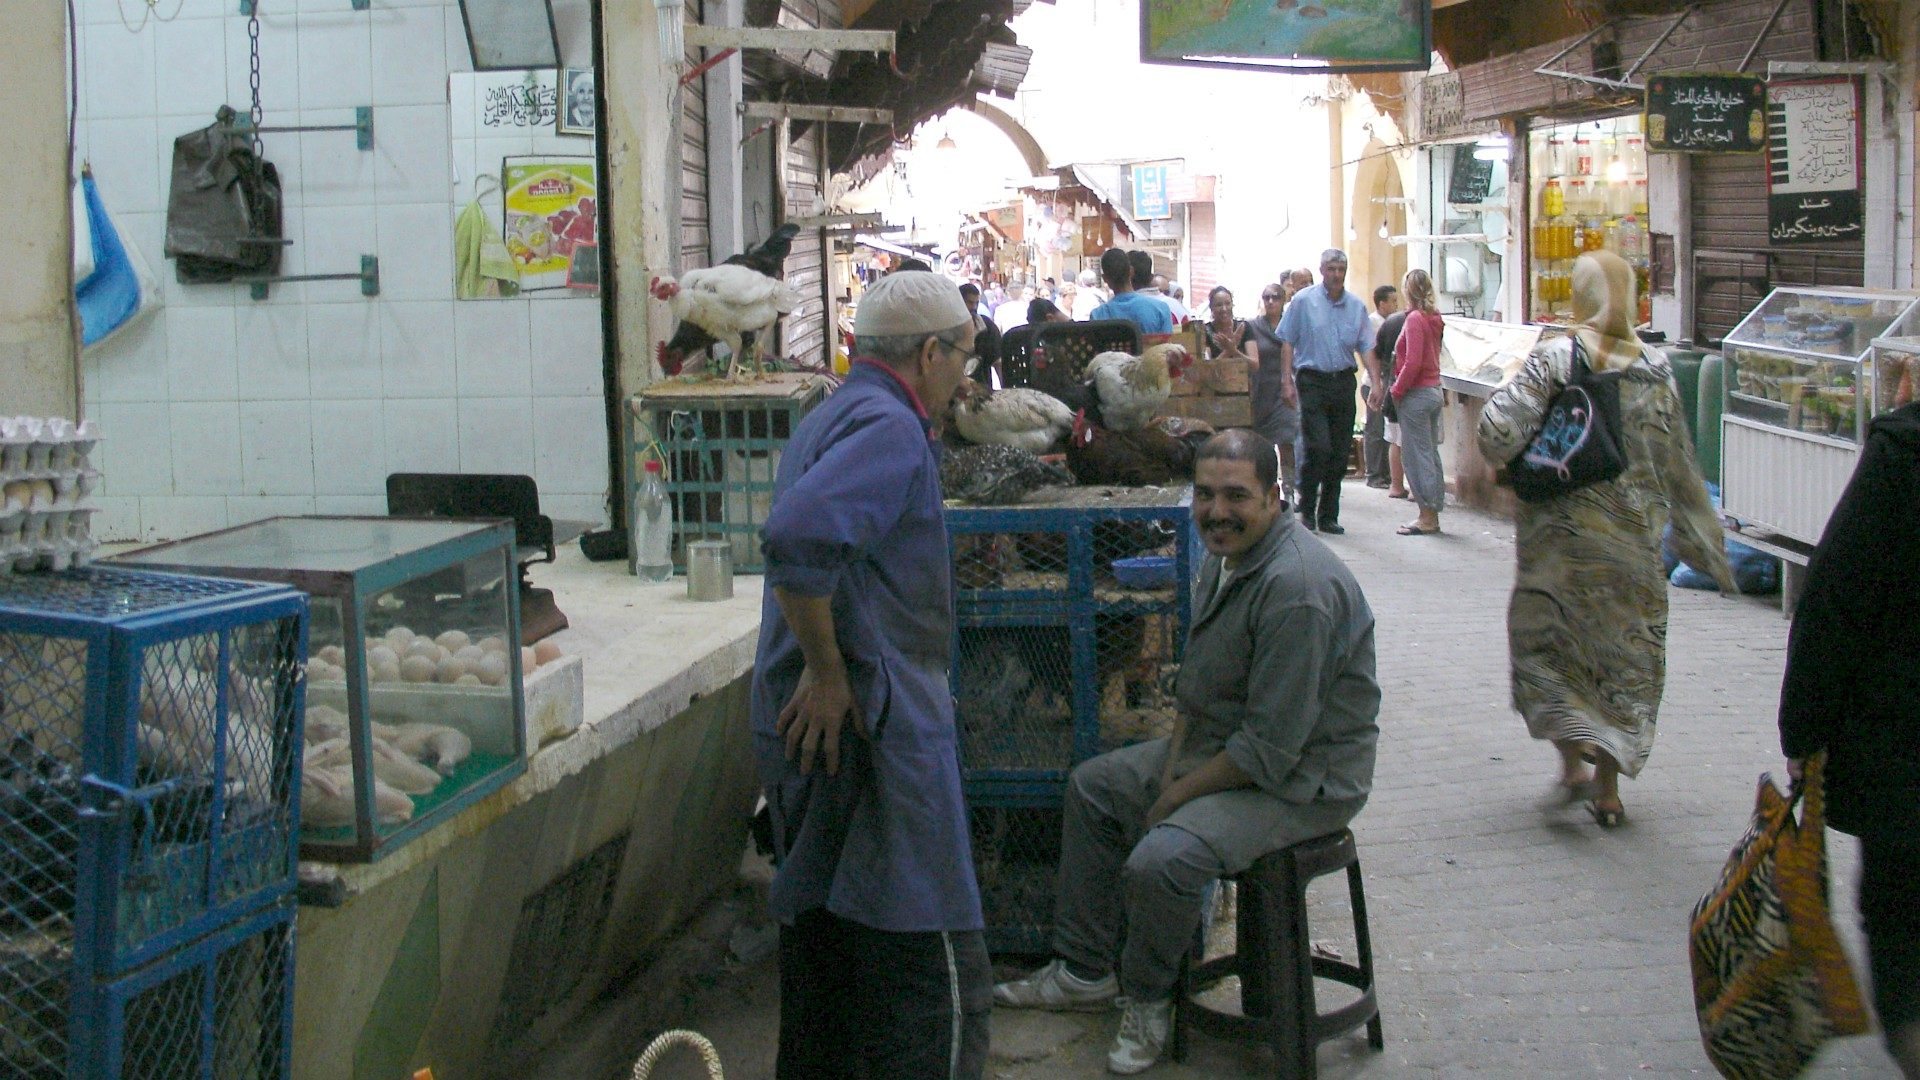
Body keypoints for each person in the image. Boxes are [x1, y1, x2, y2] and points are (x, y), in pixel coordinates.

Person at [994, 429, 1380, 1076]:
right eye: (1205, 494)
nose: (1216, 511)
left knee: (1162, 860)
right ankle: (1085, 971)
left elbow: (1269, 749)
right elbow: (1200, 699)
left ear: (1275, 498)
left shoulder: (1296, 591)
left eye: (1237, 496)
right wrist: (1169, 769)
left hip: (1302, 780)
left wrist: (1173, 798)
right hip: (1225, 749)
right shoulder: (1223, 557)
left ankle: (1147, 1000)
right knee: (1095, 786)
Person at [751, 271, 991, 1078]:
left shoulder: (833, 413)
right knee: (930, 971)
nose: (966, 373)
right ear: (929, 352)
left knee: (827, 958)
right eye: (962, 355)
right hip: (866, 729)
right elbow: (795, 538)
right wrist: (827, 672)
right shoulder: (889, 427)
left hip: (823, 728)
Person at [1475, 251, 1731, 827]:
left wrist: (1514, 460)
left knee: (1554, 651)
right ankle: (1608, 789)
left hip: (1559, 549)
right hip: (1634, 547)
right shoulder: (1659, 368)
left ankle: (1570, 769)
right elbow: (1679, 459)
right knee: (1623, 660)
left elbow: (1496, 429)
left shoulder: (1556, 356)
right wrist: (1699, 536)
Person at [1778, 399, 1920, 1078]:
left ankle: (1914, 1033)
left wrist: (1804, 732)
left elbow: (1835, 598)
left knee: (1898, 905)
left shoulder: (1903, 455)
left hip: (1904, 748)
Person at [1277, 249, 1384, 535]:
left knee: (1338, 451)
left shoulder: (1356, 307)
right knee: (1317, 446)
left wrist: (1376, 381)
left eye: (1341, 269)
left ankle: (1328, 515)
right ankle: (1307, 509)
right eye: (1332, 269)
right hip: (1311, 380)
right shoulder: (1302, 302)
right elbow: (1287, 341)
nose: (1336, 274)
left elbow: (1366, 347)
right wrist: (1286, 381)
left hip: (1342, 382)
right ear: (1322, 270)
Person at [1389, 270, 1445, 536]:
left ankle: (1427, 515)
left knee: (1416, 455)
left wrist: (1397, 390)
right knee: (1430, 453)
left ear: (1407, 290)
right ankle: (1433, 509)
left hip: (1417, 393)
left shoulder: (1414, 319)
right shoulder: (1435, 318)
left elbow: (1413, 361)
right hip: (1434, 389)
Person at [1242, 283, 1302, 504]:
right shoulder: (1252, 326)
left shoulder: (1292, 325)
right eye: (1266, 297)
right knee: (1263, 446)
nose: (1270, 302)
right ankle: (1266, 490)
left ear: (1283, 300)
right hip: (1261, 392)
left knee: (1286, 442)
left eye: (1275, 297)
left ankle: (1289, 491)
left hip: (1286, 392)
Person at [1362, 285, 1400, 488]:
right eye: (1393, 301)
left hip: (1387, 384)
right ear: (1382, 303)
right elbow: (1373, 354)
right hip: (1374, 384)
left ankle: (1385, 474)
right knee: (1375, 429)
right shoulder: (1373, 323)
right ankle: (1374, 474)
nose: (1396, 305)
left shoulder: (1391, 321)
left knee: (1386, 431)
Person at [1088, 247, 1173, 335]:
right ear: (1131, 271)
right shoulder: (1160, 309)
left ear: (1105, 278)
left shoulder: (1097, 316)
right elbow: (1166, 347)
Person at [1374, 304, 1411, 499]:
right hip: (1408, 386)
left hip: (1391, 384)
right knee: (1413, 441)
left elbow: (1376, 352)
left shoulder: (1391, 321)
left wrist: (1380, 381)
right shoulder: (1418, 320)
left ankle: (1396, 485)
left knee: (1395, 439)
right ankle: (1414, 488)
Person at [959, 281, 1002, 386]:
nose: (974, 307)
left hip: (981, 389)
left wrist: (1004, 389)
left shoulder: (987, 326)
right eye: (969, 302)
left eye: (976, 303)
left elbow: (997, 362)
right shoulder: (948, 327)